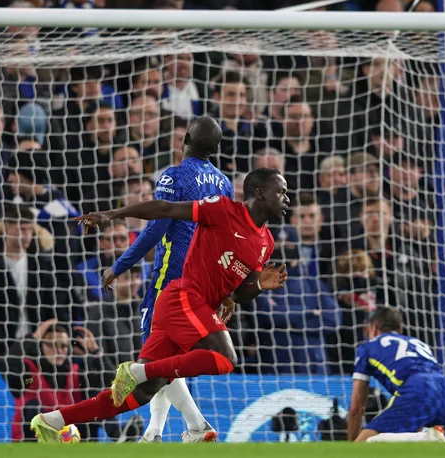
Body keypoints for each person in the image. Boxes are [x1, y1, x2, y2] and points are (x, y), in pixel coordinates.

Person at [30, 167, 289, 443]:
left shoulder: (266, 242)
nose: (287, 198)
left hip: (191, 310)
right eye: (281, 192)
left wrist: (260, 284)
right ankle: (159, 393)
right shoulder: (223, 210)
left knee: (140, 393)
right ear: (260, 193)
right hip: (183, 297)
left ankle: (51, 421)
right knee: (225, 359)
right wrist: (113, 214)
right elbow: (165, 208)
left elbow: (239, 293)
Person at [75, 116, 236, 443]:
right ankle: (154, 433)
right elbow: (226, 241)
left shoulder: (175, 176)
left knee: (155, 358)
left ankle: (196, 425)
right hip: (205, 284)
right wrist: (227, 289)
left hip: (172, 278)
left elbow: (157, 228)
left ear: (186, 137)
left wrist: (118, 265)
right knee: (165, 356)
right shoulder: (225, 184)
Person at [346, 307, 445, 442]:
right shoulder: (418, 343)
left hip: (418, 388)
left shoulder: (367, 348)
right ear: (400, 330)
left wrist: (352, 443)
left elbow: (357, 407)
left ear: (374, 328)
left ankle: (426, 439)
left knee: (365, 443)